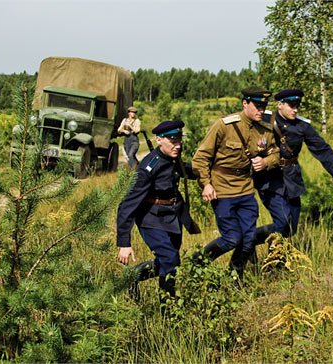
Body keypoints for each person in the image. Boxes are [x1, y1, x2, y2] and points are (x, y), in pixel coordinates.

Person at [190, 87, 281, 280]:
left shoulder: (265, 130)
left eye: (264, 106)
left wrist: (266, 162)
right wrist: (206, 184)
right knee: (232, 238)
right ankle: (198, 263)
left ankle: (234, 278)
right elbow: (200, 158)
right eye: (257, 105)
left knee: (248, 240)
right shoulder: (224, 126)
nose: (261, 110)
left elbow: (275, 153)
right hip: (222, 190)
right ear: (245, 103)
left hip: (246, 190)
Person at [252, 88, 333, 247]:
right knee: (283, 221)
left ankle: (250, 239)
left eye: (297, 105)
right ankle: (273, 262)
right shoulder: (264, 119)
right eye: (291, 105)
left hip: (292, 179)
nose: (295, 109)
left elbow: (322, 149)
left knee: (291, 227)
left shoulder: (302, 126)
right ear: (280, 105)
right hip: (269, 178)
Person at [116, 120, 199, 300]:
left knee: (170, 260)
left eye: (179, 140)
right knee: (170, 260)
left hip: (172, 217)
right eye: (173, 141)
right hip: (151, 219)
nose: (177, 145)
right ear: (159, 140)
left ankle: (134, 276)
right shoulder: (148, 168)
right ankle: (168, 307)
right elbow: (127, 204)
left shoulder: (173, 158)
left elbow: (187, 171)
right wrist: (124, 242)